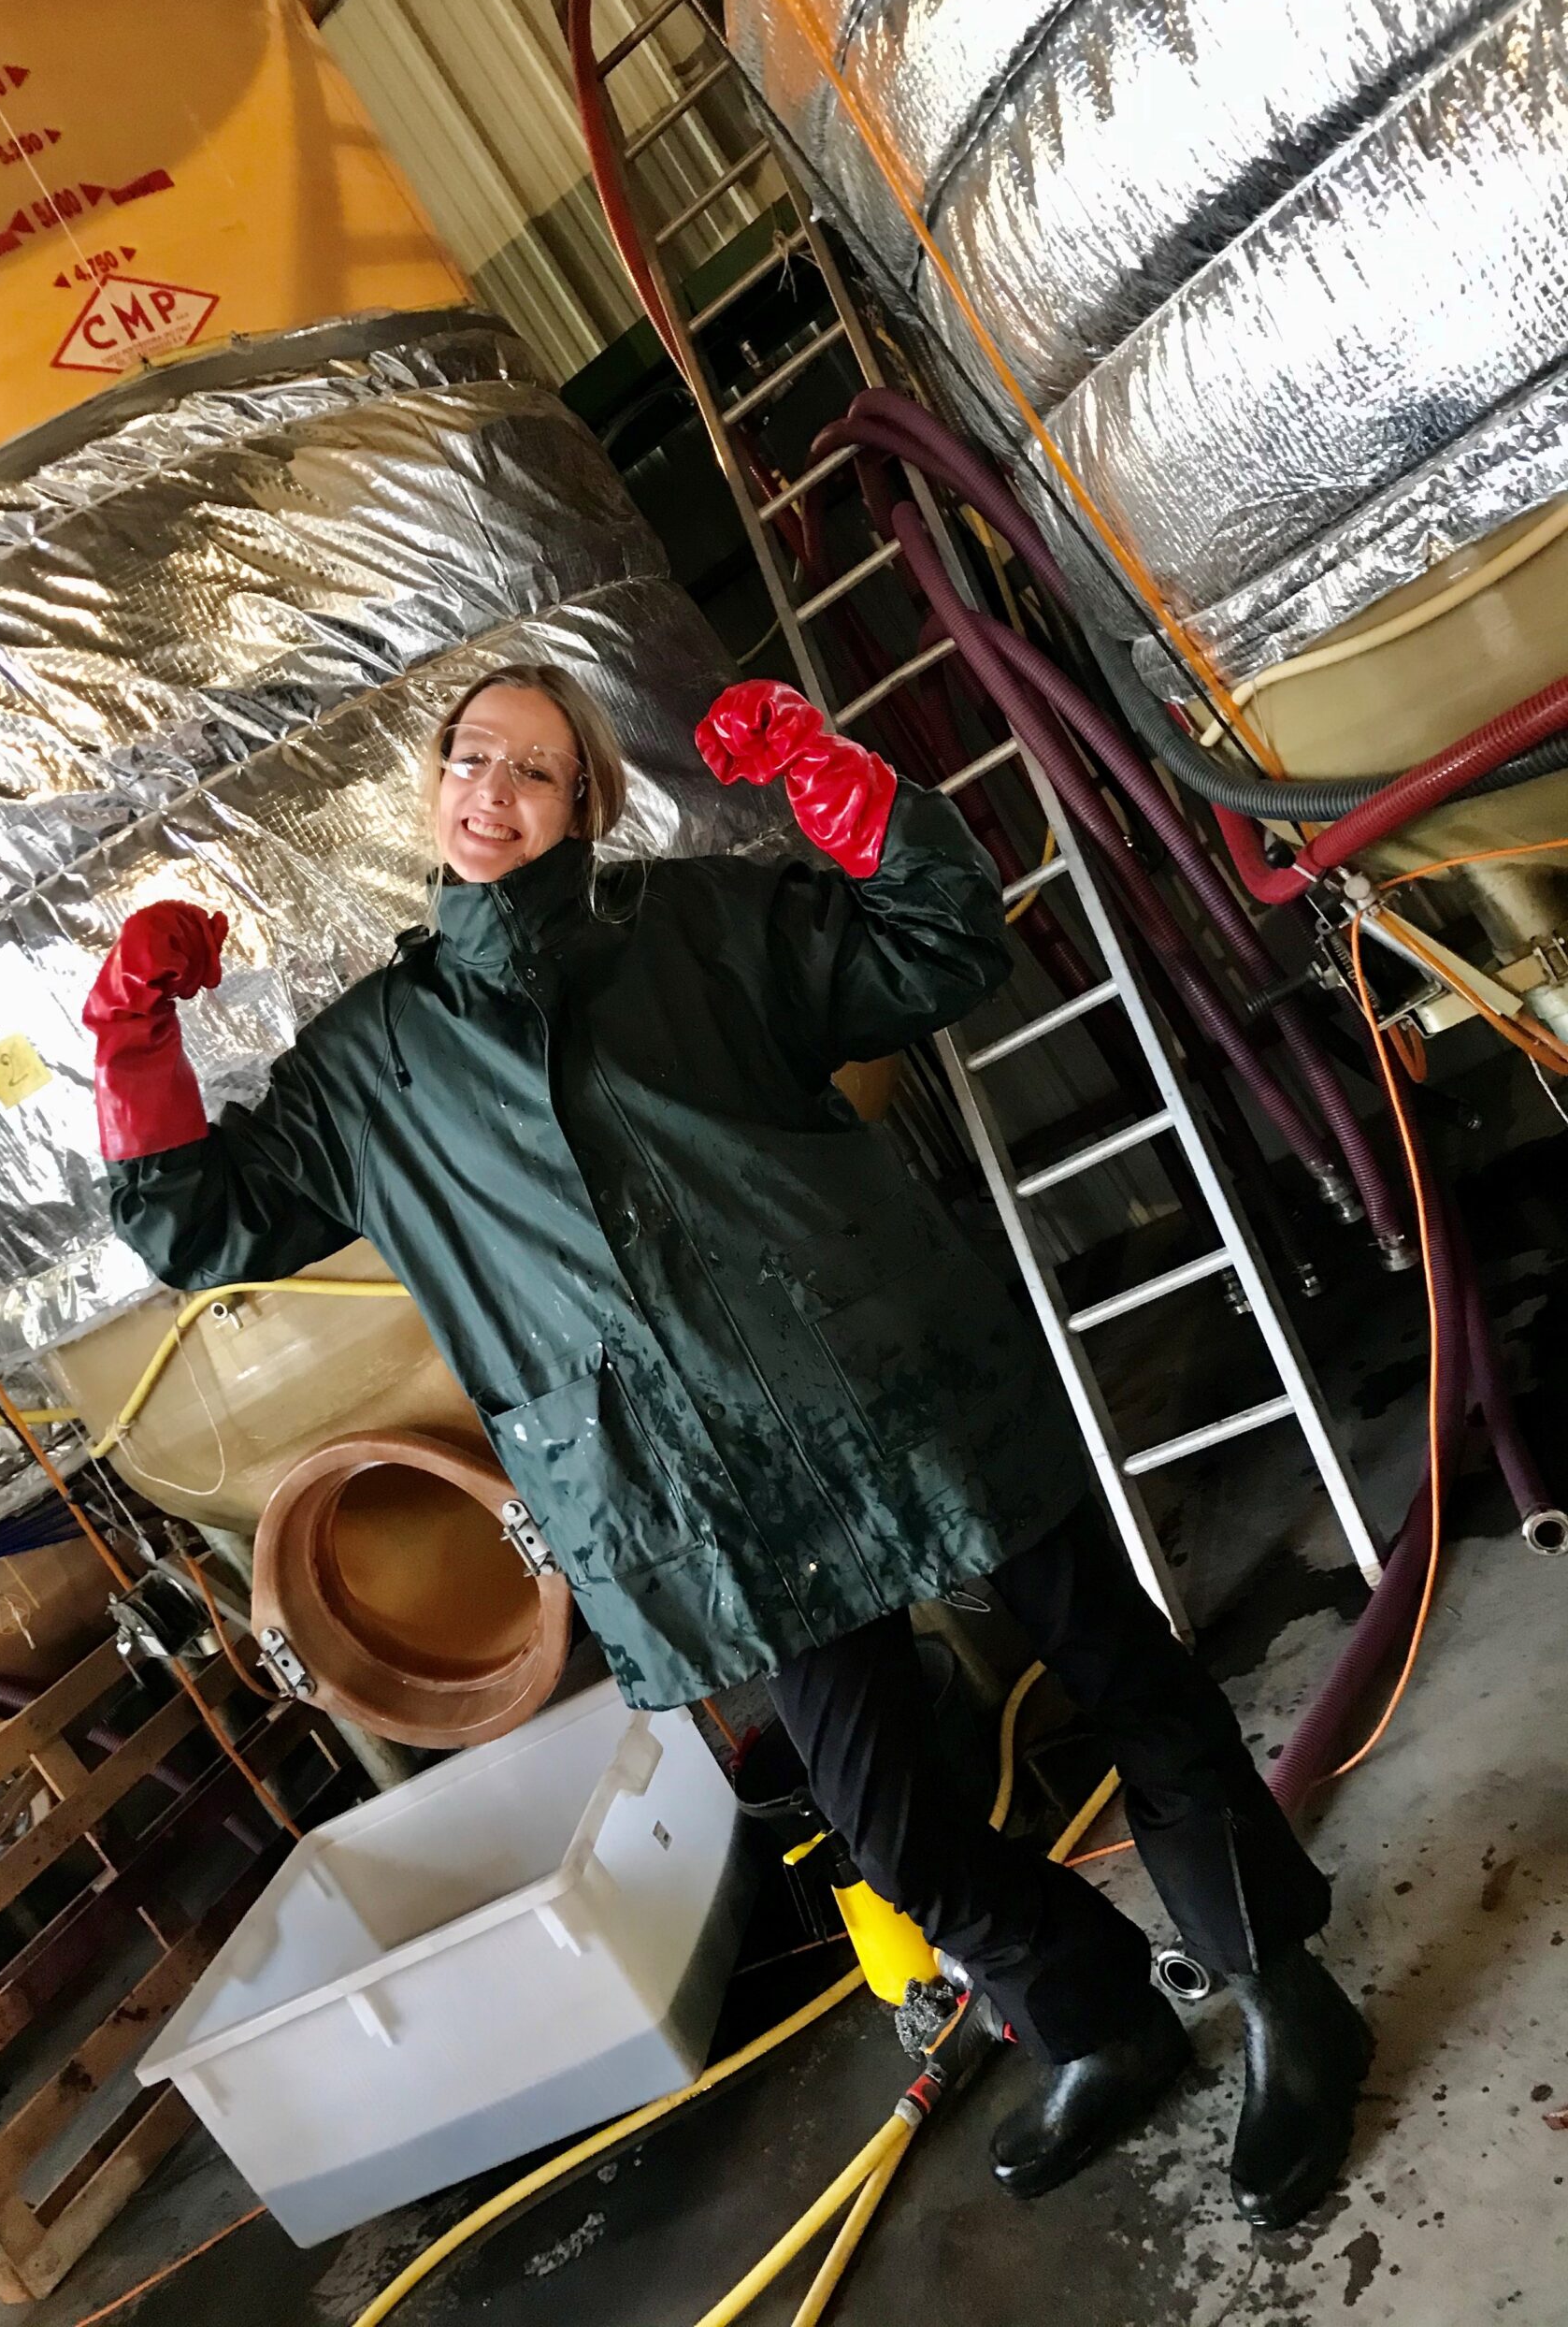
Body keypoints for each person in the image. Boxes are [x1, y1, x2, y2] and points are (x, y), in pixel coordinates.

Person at [84, 665, 1371, 2229]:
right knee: (892, 1827)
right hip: (707, 1496)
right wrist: (134, 1037)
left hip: (897, 1389)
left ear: (587, 805)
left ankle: (1284, 1992)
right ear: (433, 787)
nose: (493, 790)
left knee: (1127, 1683)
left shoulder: (698, 930)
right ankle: (1101, 2022)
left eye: (536, 770)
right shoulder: (372, 1066)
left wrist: (847, 790)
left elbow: (936, 944)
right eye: (472, 758)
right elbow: (203, 1225)